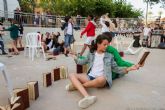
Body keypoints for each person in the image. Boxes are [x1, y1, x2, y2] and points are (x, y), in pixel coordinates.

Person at [67, 35, 141, 109]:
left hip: (101, 79)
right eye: (104, 44)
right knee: (71, 75)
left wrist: (129, 69)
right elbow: (83, 61)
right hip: (90, 77)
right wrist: (75, 58)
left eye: (107, 44)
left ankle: (78, 86)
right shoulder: (91, 53)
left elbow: (116, 69)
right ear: (98, 44)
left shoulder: (109, 56)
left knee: (101, 79)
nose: (106, 46)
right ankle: (87, 96)